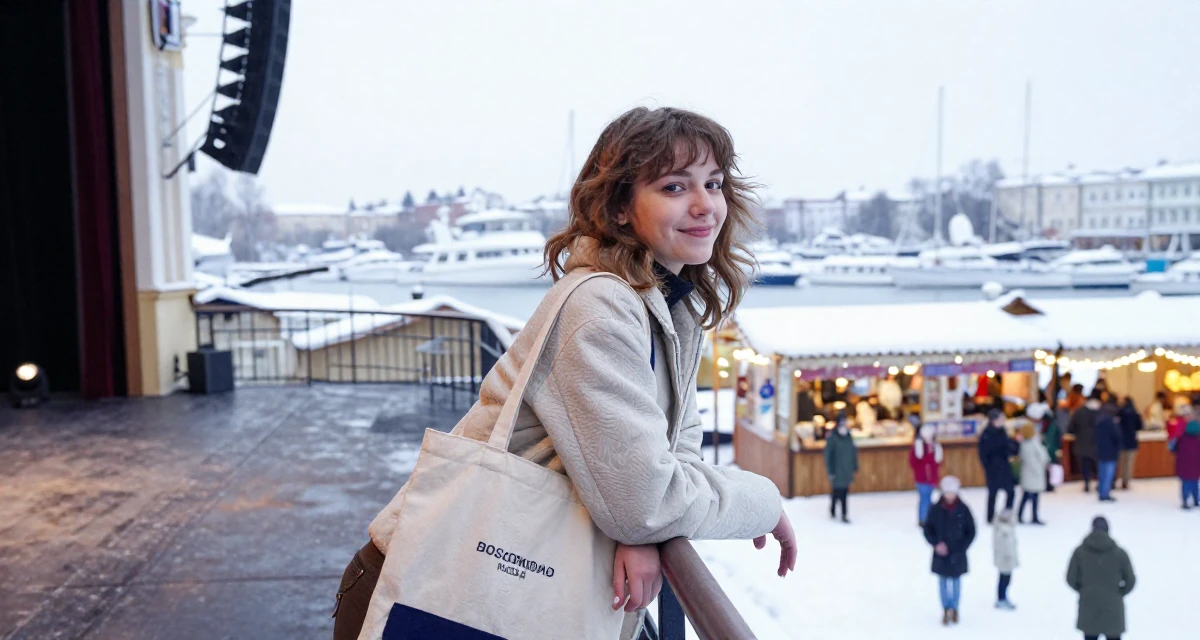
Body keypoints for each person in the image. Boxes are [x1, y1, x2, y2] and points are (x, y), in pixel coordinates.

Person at [331, 107, 798, 640]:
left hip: (493, 594)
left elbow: (668, 463)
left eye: (713, 184)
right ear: (620, 208)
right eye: (674, 186)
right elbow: (647, 502)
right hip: (433, 595)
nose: (704, 205)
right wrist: (760, 502)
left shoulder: (671, 310)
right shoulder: (601, 305)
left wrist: (643, 528)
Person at [1067, 516, 1136, 640]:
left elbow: (1070, 578)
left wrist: (1083, 590)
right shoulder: (1120, 553)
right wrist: (1119, 592)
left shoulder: (1080, 552)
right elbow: (1130, 580)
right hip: (1113, 606)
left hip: (1088, 605)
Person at [923, 476, 976, 626]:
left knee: (957, 581)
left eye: (952, 492)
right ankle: (946, 608)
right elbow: (928, 529)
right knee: (943, 581)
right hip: (941, 554)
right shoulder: (935, 509)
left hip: (958, 553)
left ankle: (955, 607)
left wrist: (962, 547)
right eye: (947, 492)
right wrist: (936, 544)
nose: (950, 496)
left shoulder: (964, 509)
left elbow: (971, 531)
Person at [978, 408, 1018, 523]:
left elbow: (1007, 445)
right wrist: (988, 466)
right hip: (993, 467)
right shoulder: (986, 434)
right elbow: (983, 453)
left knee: (1010, 491)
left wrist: (1013, 448)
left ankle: (1007, 513)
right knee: (993, 493)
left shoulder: (1003, 431)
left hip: (1004, 466)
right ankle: (990, 516)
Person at [824, 413, 858, 523]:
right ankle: (837, 510)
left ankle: (840, 512)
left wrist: (855, 465)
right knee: (838, 490)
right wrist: (830, 470)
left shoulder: (848, 437)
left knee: (843, 491)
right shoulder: (833, 438)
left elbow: (853, 452)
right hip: (837, 469)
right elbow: (828, 455)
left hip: (846, 469)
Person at [1068, 390, 1102, 493]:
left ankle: (1087, 483)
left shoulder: (1079, 412)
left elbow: (1071, 428)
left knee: (1085, 465)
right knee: (1098, 466)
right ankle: (1100, 483)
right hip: (1098, 444)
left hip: (1082, 443)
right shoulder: (1101, 412)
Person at [909, 423, 942, 527]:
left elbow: (938, 461)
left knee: (928, 498)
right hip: (922, 478)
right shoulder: (918, 447)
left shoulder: (935, 447)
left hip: (931, 477)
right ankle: (924, 519)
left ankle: (925, 518)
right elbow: (913, 461)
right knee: (925, 499)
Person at [1018, 422, 1049, 524]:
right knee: (1030, 496)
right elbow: (1030, 460)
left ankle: (1025, 515)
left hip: (1034, 473)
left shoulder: (1032, 442)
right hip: (1033, 473)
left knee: (1029, 496)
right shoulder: (1028, 445)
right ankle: (1028, 516)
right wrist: (1039, 470)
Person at [1095, 400, 1122, 502]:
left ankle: (1102, 492)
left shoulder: (1099, 421)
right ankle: (1105, 494)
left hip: (1101, 450)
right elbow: (1117, 436)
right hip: (1111, 451)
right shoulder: (1112, 422)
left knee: (1102, 473)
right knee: (1108, 474)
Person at [992, 508, 1018, 610]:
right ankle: (1001, 598)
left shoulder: (1008, 528)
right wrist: (1008, 556)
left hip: (1008, 559)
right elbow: (1003, 545)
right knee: (1003, 580)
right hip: (1004, 559)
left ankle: (1003, 597)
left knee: (1007, 579)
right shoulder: (1002, 530)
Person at [1116, 397, 1143, 490]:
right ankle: (1126, 481)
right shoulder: (1135, 414)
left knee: (1120, 462)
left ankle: (1116, 479)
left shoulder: (1120, 413)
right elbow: (1140, 426)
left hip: (1121, 441)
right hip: (1132, 441)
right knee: (1129, 463)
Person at [1173, 419, 1200, 509]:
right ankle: (1196, 500)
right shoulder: (1198, 440)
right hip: (1196, 467)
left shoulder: (1181, 439)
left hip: (1183, 467)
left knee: (1185, 484)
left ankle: (1185, 501)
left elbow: (1174, 449)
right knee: (1195, 484)